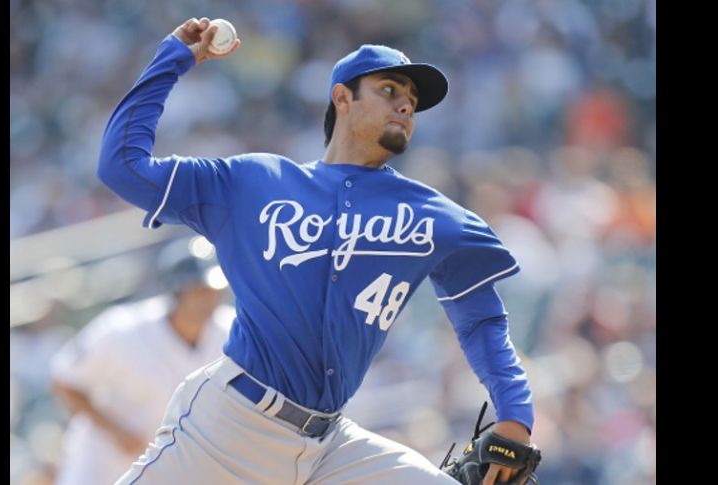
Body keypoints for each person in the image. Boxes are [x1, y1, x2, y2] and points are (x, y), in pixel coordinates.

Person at [98, 17, 535, 485]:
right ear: (342, 98)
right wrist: (173, 58)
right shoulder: (255, 182)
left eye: (412, 99)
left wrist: (515, 416)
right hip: (229, 427)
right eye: (389, 90)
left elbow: (480, 319)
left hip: (331, 446)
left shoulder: (434, 216)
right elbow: (123, 166)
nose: (406, 104)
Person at [49, 237, 233, 485]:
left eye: (214, 290)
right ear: (176, 291)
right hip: (103, 461)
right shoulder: (122, 329)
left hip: (168, 468)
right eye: (199, 290)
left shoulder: (232, 331)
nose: (209, 298)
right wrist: (116, 431)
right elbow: (64, 380)